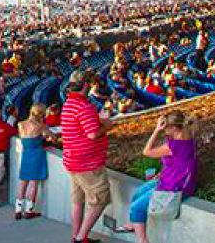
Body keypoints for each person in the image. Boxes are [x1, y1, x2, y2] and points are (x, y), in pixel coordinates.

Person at [114, 111, 197, 243]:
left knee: (136, 208)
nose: (163, 129)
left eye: (165, 127)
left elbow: (146, 152)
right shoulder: (185, 138)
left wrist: (156, 130)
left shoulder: (175, 146)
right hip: (171, 179)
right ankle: (133, 224)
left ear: (174, 128)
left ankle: (143, 240)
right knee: (138, 193)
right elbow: (175, 163)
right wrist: (161, 174)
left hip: (175, 187)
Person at [62, 78, 111, 243]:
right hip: (87, 164)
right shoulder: (84, 107)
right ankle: (80, 238)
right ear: (85, 85)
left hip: (72, 161)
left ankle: (76, 236)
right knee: (100, 199)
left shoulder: (68, 104)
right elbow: (92, 134)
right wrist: (106, 125)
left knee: (78, 200)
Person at [15, 103, 50, 220]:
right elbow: (52, 136)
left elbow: (25, 138)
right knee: (33, 183)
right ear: (41, 113)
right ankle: (28, 211)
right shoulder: (40, 125)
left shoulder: (20, 124)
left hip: (26, 154)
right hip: (36, 154)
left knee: (23, 183)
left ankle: (18, 210)